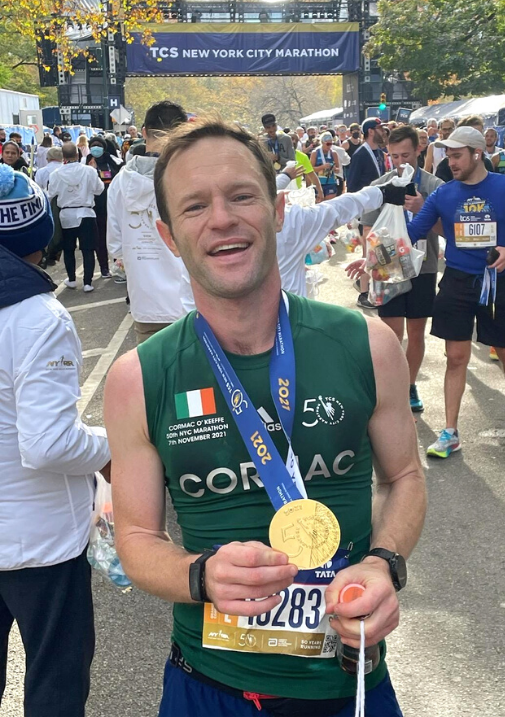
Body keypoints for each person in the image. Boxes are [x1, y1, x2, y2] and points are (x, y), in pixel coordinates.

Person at [102, 116, 426, 715]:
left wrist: (384, 564)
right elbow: (138, 539)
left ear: (278, 210)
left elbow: (405, 477)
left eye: (241, 195)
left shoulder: (368, 344)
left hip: (347, 679)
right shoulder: (137, 379)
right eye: (194, 207)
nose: (221, 219)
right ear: (168, 235)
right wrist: (200, 576)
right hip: (209, 683)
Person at [350, 125, 505, 458]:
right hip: (457, 280)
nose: (450, 162)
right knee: (456, 357)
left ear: (477, 153)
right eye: (448, 156)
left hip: (498, 282)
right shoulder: (443, 194)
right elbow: (407, 234)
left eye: (457, 156)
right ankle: (451, 431)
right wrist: (371, 260)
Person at [0, 163, 109, 717]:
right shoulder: (36, 318)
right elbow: (48, 444)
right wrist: (111, 447)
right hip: (40, 542)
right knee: (56, 682)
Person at [359, 125, 444, 413]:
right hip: (388, 266)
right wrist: (369, 262)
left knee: (417, 332)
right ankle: (392, 386)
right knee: (392, 333)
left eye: (405, 155)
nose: (400, 163)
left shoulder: (433, 185)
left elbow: (448, 230)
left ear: (420, 149)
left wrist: (423, 208)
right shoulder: (381, 185)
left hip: (425, 265)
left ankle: (409, 384)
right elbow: (368, 227)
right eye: (394, 157)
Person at [106, 100, 196, 343]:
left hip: (145, 305)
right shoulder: (191, 180)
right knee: (196, 380)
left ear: (144, 132)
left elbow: (115, 247)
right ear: (184, 131)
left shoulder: (119, 184)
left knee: (152, 376)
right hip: (195, 304)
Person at [48, 142, 104, 292]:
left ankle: (72, 279)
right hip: (86, 213)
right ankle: (88, 282)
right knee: (88, 249)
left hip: (66, 215)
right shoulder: (89, 171)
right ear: (78, 155)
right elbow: (99, 190)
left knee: (69, 249)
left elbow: (51, 194)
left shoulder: (56, 174)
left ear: (63, 156)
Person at [88, 135, 123, 279]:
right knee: (100, 239)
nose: (96, 149)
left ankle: (119, 265)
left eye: (99, 146)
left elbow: (122, 173)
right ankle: (104, 267)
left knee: (117, 235)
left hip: (114, 204)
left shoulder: (113, 161)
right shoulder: (87, 162)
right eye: (93, 146)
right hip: (97, 207)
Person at [345, 118, 387, 194]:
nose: (384, 132)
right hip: (364, 202)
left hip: (378, 200)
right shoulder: (360, 155)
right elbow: (351, 186)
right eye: (380, 128)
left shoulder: (380, 152)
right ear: (370, 131)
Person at [310, 132, 341, 199]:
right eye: (328, 144)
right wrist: (322, 167)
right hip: (318, 183)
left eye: (331, 144)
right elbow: (311, 169)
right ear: (322, 143)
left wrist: (335, 169)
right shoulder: (315, 153)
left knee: (329, 204)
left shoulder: (333, 153)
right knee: (319, 204)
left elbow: (338, 170)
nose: (330, 146)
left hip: (331, 182)